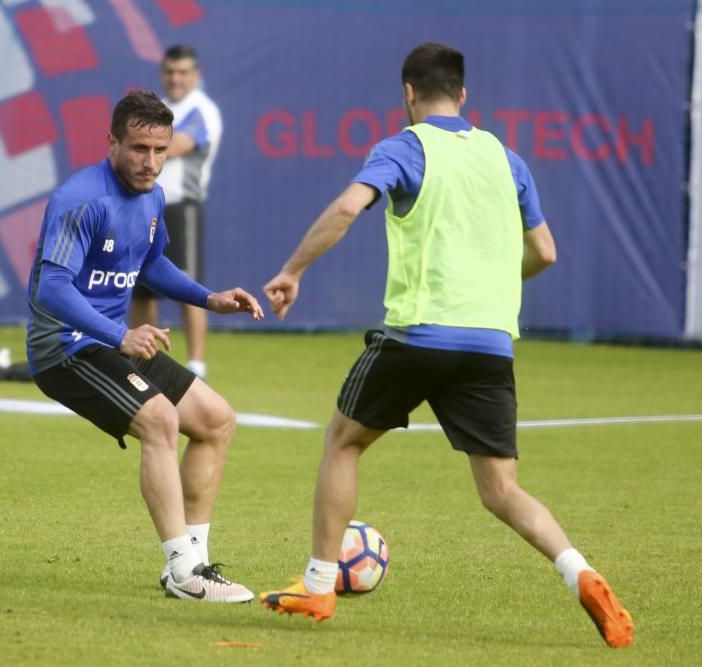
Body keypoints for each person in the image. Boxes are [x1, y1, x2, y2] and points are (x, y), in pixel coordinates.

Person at [258, 44, 634, 648]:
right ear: (463, 96)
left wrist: (293, 270)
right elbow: (545, 253)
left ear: (408, 94)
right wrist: (487, 287)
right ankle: (581, 572)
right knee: (501, 491)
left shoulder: (405, 146)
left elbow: (349, 207)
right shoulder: (504, 156)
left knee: (343, 442)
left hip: (419, 335)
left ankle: (319, 583)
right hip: (489, 345)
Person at [26, 90, 263, 603]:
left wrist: (209, 298)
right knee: (160, 421)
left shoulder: (153, 196)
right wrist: (120, 334)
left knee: (217, 420)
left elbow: (151, 265)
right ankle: (182, 570)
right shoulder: (81, 198)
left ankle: (195, 562)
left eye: (159, 150)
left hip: (114, 344)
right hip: (65, 348)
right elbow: (52, 287)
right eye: (138, 149)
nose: (150, 162)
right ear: (111, 143)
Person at [129, 45, 222, 380]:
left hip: (182, 208)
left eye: (183, 72)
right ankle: (142, 358)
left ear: (195, 76)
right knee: (140, 287)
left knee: (189, 286)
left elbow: (177, 146)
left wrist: (138, 145)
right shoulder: (160, 109)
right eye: (170, 71)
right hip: (144, 205)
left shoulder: (202, 110)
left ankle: (196, 364)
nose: (175, 78)